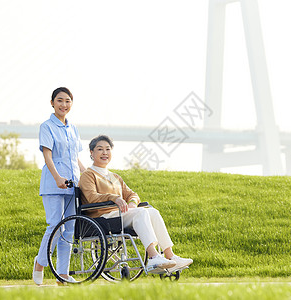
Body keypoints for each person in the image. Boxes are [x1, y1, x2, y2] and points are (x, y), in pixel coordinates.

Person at [79, 135, 193, 273]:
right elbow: (91, 197)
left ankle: (170, 256)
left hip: (120, 214)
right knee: (142, 212)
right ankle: (153, 257)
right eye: (100, 149)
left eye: (108, 149)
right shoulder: (88, 175)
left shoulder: (115, 177)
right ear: (91, 153)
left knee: (152, 211)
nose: (104, 153)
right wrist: (114, 197)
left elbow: (132, 194)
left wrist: (132, 203)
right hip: (102, 217)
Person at [32, 87, 86, 285]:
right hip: (54, 184)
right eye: (60, 100)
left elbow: (75, 158)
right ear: (52, 103)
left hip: (74, 185)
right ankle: (40, 263)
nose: (64, 105)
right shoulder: (46, 126)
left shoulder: (73, 129)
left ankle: (62, 274)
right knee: (55, 225)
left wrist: (88, 176)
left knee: (70, 229)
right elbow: (48, 155)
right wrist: (57, 178)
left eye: (68, 101)